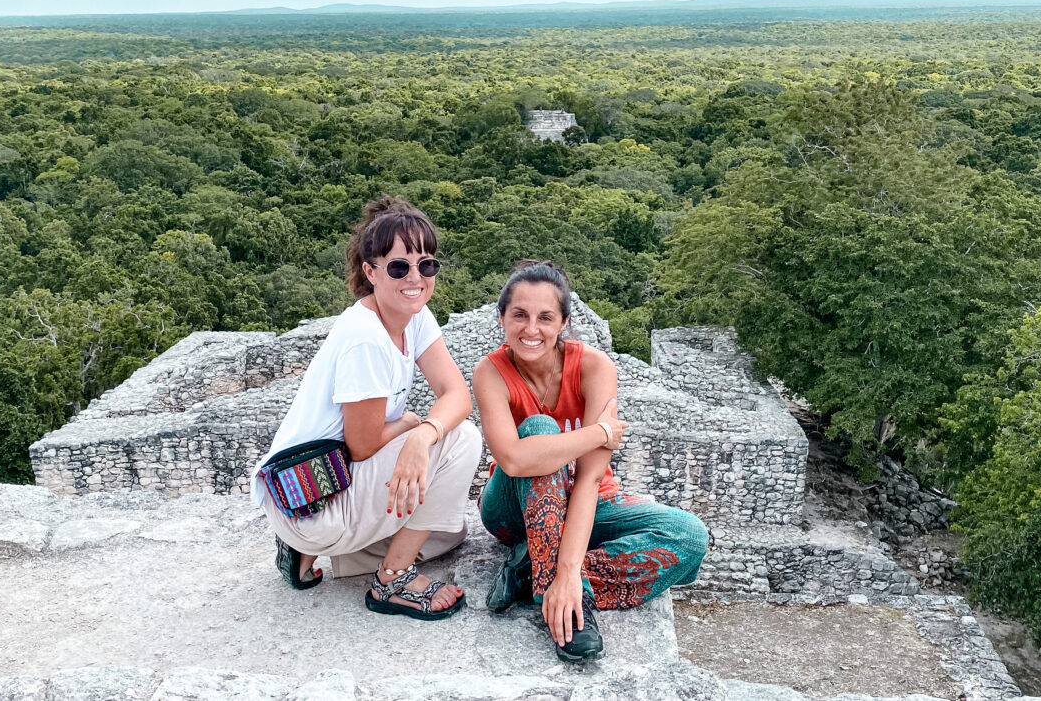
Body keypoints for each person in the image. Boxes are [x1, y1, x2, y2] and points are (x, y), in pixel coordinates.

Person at [251, 196, 482, 620]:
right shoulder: (365, 339)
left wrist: (424, 435)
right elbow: (362, 446)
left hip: (323, 486)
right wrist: (413, 425)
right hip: (311, 495)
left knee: (447, 533)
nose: (415, 278)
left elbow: (457, 394)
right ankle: (390, 580)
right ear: (370, 272)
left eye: (425, 265)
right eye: (399, 267)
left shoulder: (414, 316)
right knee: (463, 440)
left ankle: (311, 554)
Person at [473, 261, 709, 661]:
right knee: (540, 429)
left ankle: (543, 577)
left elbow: (588, 480)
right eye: (520, 315)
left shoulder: (594, 368)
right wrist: (599, 433)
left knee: (689, 536)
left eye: (545, 317)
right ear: (502, 319)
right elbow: (513, 460)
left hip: (589, 498)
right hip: (511, 508)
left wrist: (568, 572)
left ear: (563, 321)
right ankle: (569, 609)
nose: (532, 329)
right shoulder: (491, 372)